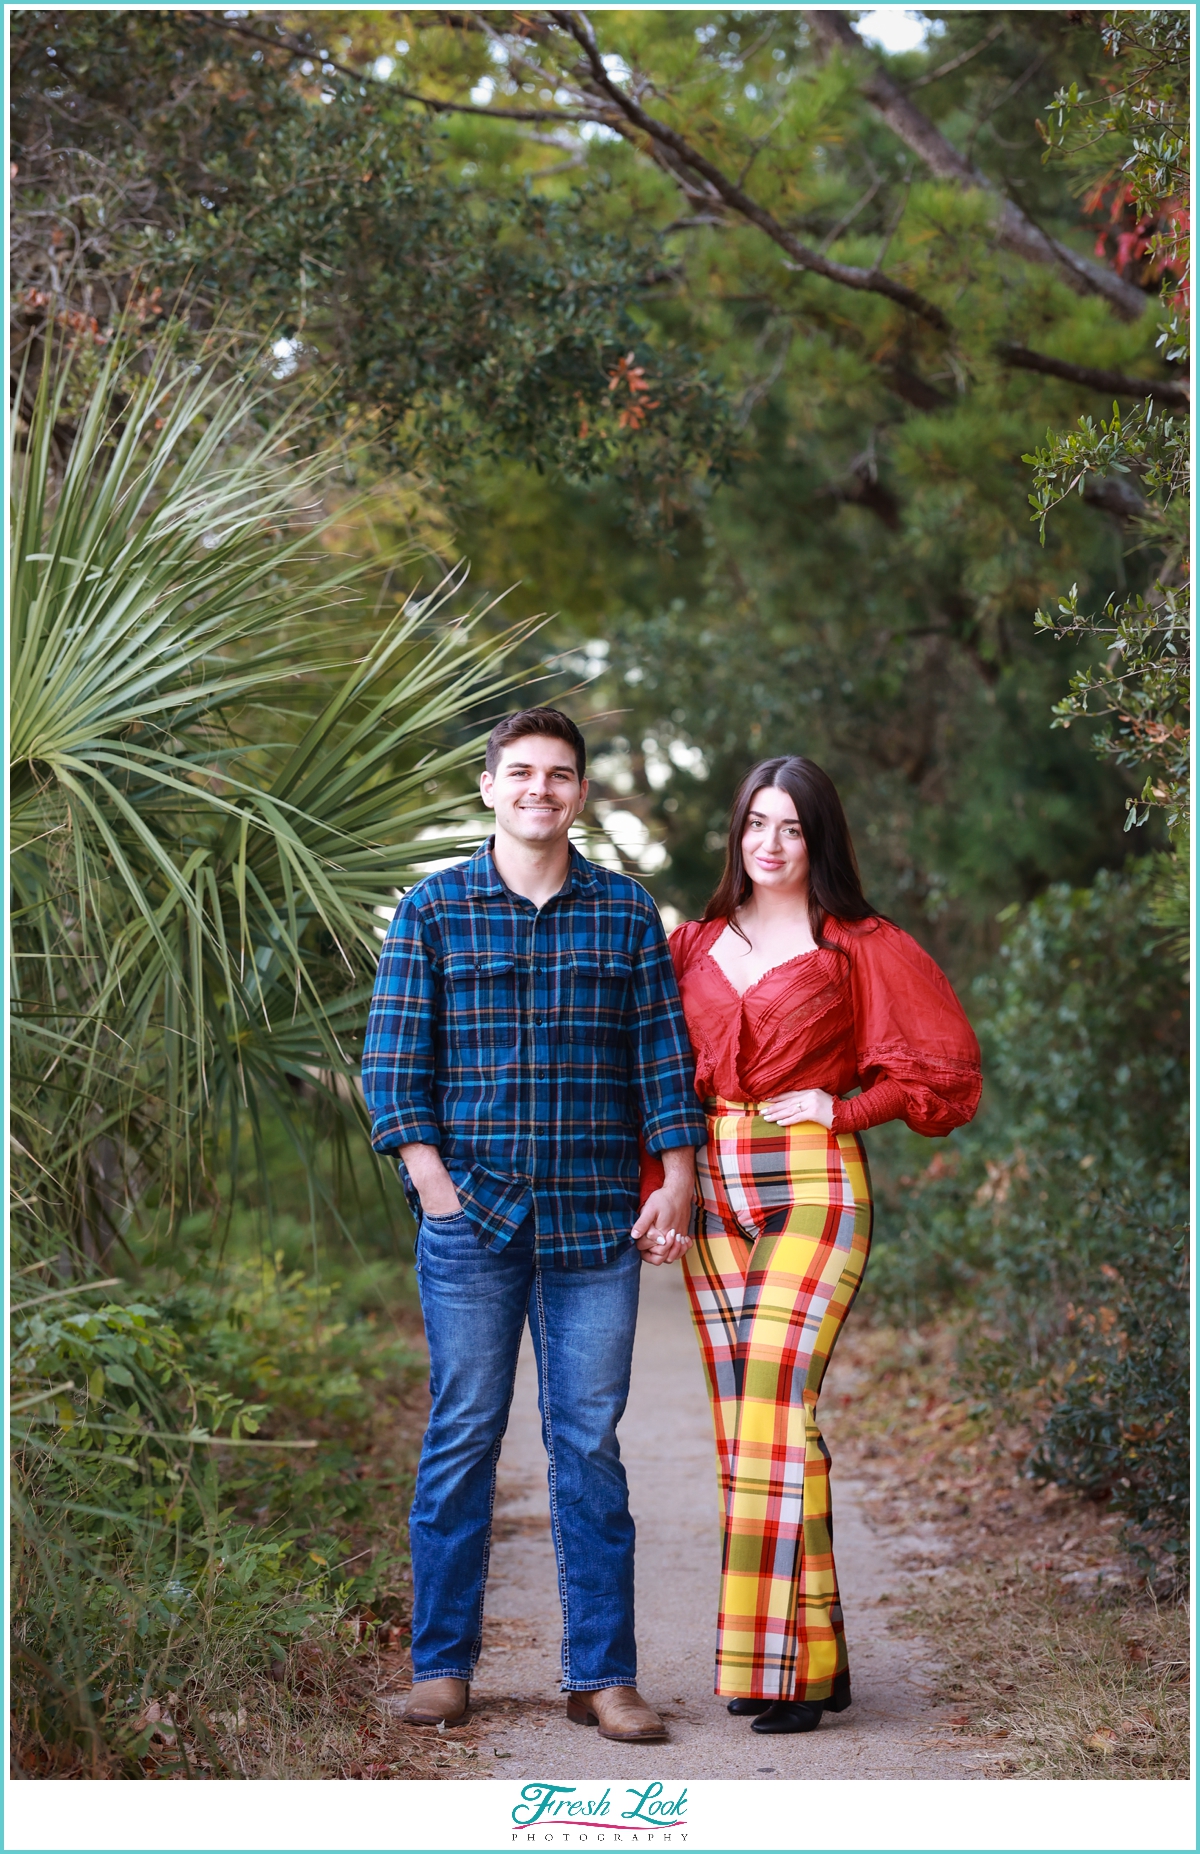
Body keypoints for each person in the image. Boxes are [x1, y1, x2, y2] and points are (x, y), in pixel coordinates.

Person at [362, 706, 705, 1742]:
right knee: (463, 1437)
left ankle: (603, 1675)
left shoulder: (626, 914)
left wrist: (678, 1178)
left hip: (595, 1222)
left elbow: (661, 1065)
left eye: (559, 775)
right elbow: (390, 1069)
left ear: (581, 793)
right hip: (473, 1221)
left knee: (587, 1445)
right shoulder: (432, 911)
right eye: (521, 772)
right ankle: (442, 1666)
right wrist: (435, 1187)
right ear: (488, 787)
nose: (539, 790)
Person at [644, 755, 981, 1736]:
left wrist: (844, 1105)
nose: (771, 843)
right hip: (712, 1190)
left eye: (792, 826)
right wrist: (658, 1186)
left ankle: (781, 1672)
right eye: (757, 822)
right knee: (745, 1425)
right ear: (736, 833)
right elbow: (660, 1072)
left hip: (813, 1184)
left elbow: (942, 1074)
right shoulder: (694, 943)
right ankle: (806, 1658)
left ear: (819, 838)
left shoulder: (859, 944)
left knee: (773, 1404)